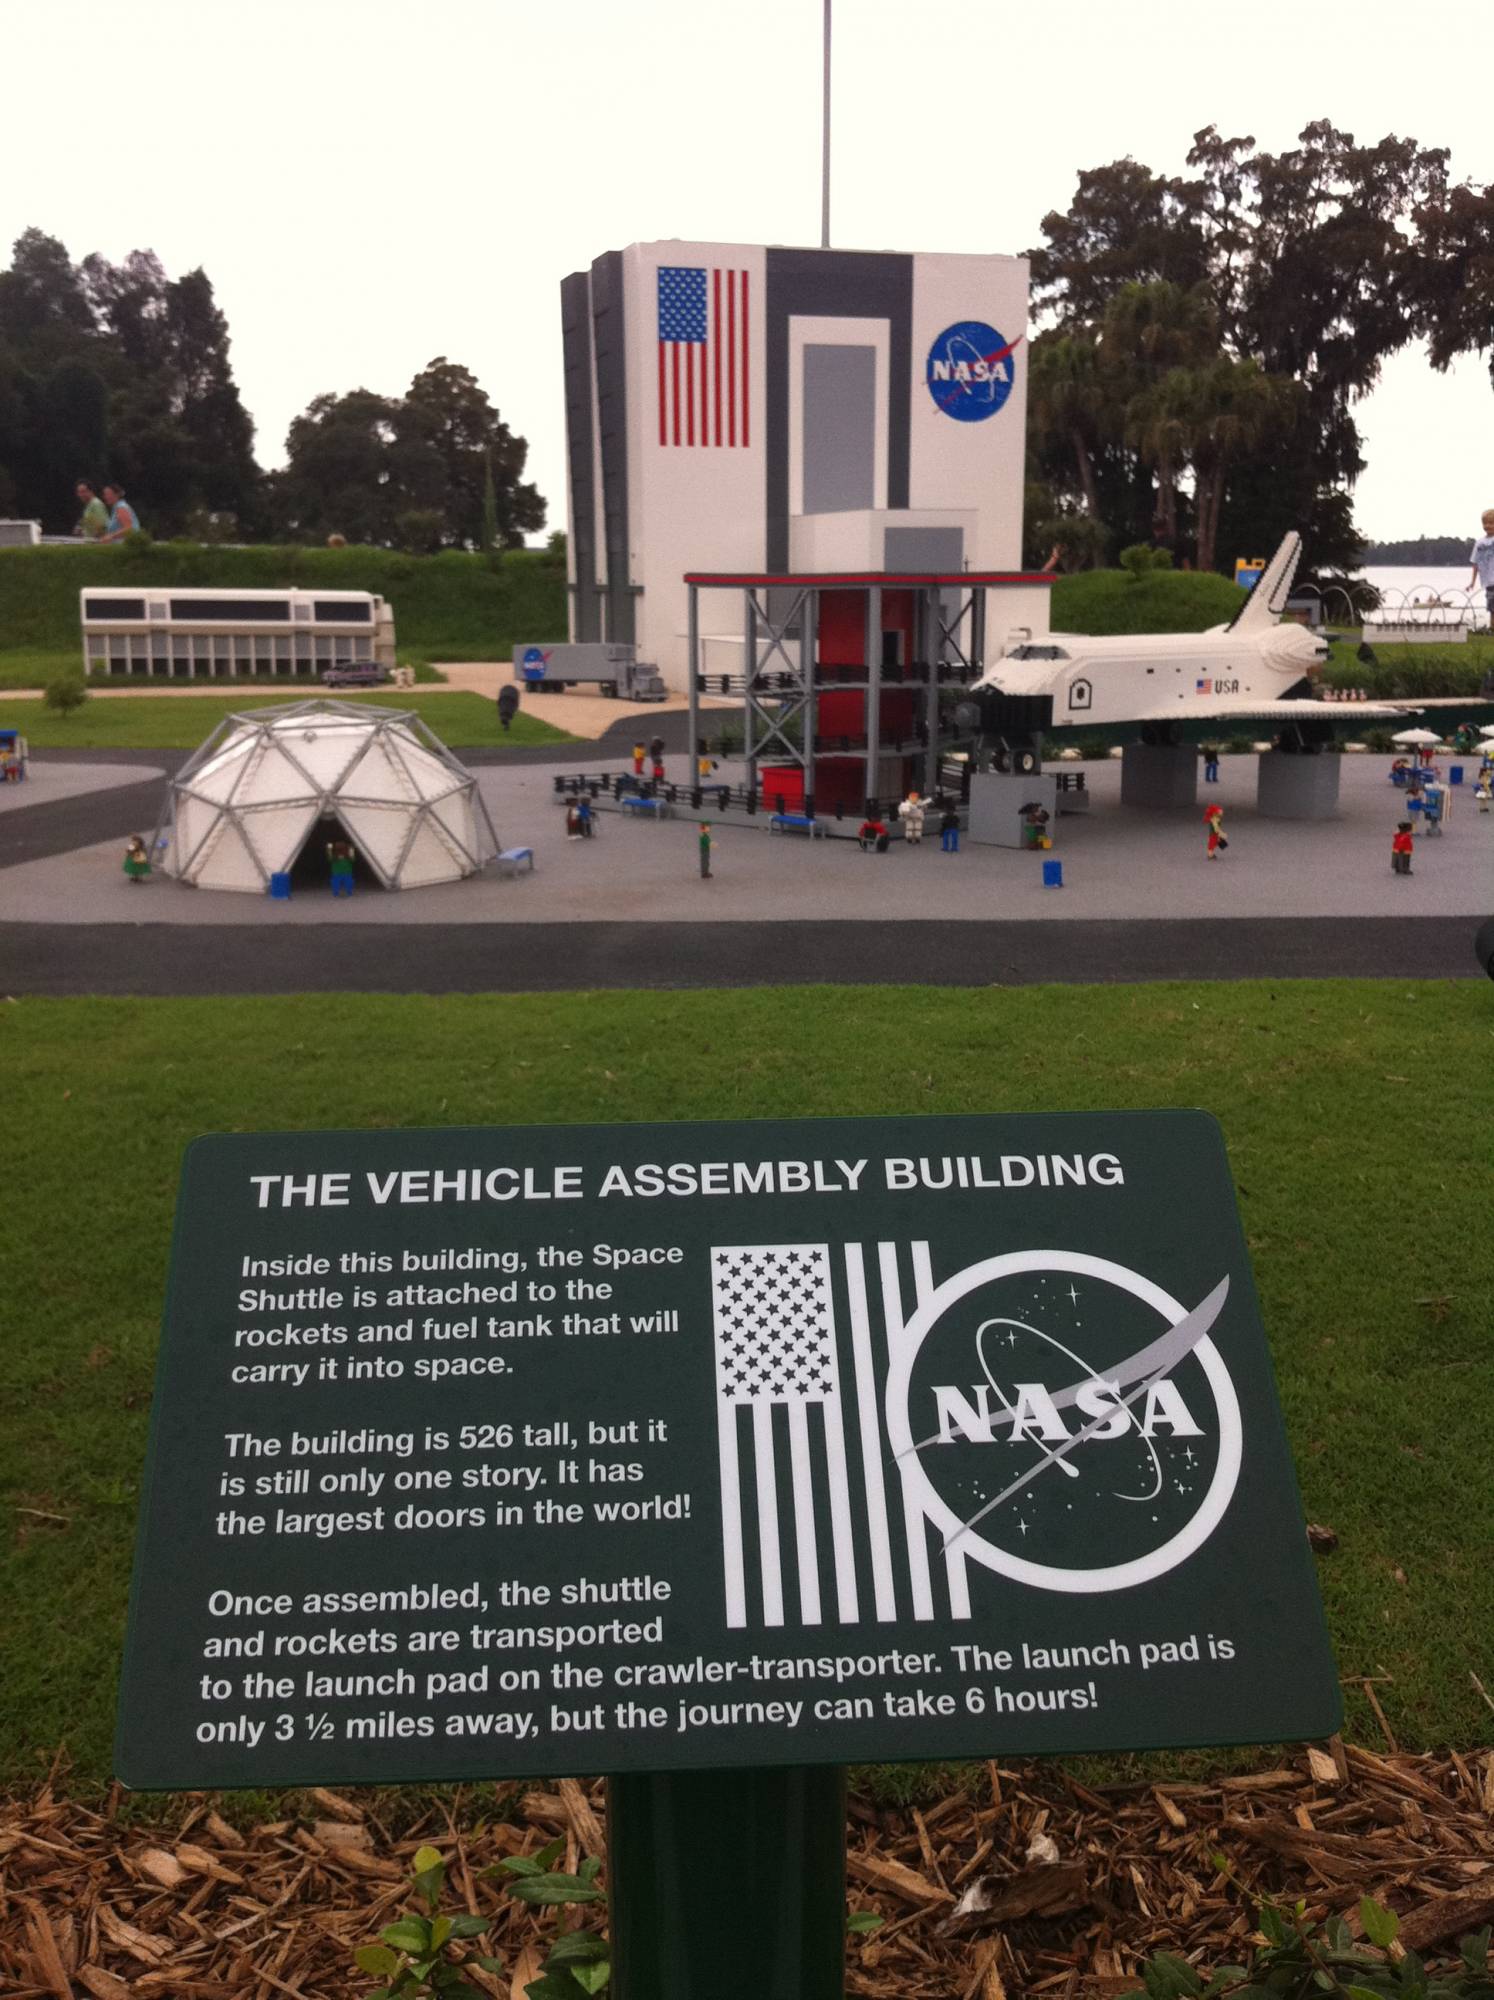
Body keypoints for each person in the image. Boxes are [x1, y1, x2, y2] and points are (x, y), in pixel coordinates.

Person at [1467, 508, 1494, 631]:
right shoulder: (1479, 543)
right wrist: (1472, 582)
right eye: (1485, 523)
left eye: (1491, 523)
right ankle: (1492, 628)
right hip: (1488, 581)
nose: (1487, 526)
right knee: (1491, 606)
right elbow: (1475, 563)